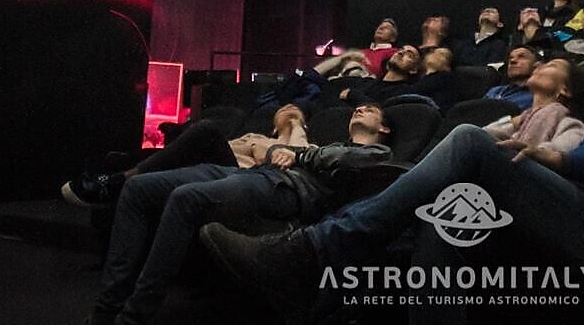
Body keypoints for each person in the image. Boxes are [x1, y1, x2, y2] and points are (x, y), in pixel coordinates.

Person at [200, 43, 584, 317]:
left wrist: (560, 161)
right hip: (568, 200)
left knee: (471, 142)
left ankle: (313, 251)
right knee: (449, 208)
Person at [89, 104, 391, 325]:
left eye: (371, 110)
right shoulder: (328, 146)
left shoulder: (379, 155)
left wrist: (298, 154)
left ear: (384, 129)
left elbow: (334, 159)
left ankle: (132, 317)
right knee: (138, 189)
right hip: (255, 173)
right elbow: (274, 153)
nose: (360, 108)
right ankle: (105, 310)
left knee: (186, 198)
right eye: (359, 107)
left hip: (284, 187)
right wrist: (284, 152)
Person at [62, 105, 310, 208]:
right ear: (273, 125)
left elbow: (297, 155)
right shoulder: (253, 135)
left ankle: (114, 184)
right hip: (207, 165)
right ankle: (110, 179)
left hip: (240, 177)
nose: (289, 109)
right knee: (145, 154)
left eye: (294, 110)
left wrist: (297, 125)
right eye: (285, 109)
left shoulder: (296, 143)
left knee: (207, 129)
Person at [481, 56, 584, 154]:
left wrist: (535, 151)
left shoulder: (569, 123)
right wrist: (514, 122)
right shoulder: (524, 122)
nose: (537, 66)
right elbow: (484, 132)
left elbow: (562, 153)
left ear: (565, 89)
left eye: (552, 65)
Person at [337, 44, 431, 107]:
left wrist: (352, 95)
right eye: (401, 49)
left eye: (409, 55)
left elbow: (380, 111)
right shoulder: (367, 82)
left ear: (413, 70)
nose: (401, 52)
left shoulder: (405, 92)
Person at [484, 45, 540, 110]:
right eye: (510, 58)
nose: (512, 61)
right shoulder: (494, 91)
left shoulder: (538, 97)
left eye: (521, 57)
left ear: (537, 65)